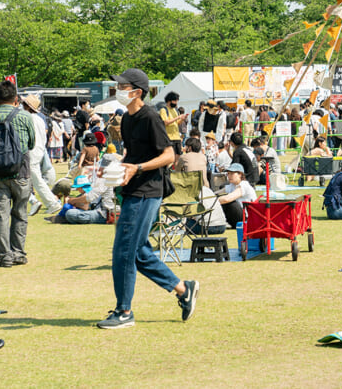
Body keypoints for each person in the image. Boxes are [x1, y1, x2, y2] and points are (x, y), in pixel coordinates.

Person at [97, 68, 197, 330]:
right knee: (138, 251)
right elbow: (132, 155)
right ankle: (183, 289)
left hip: (148, 190)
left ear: (137, 91)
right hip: (133, 189)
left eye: (122, 86)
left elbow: (168, 156)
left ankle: (124, 311)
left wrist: (138, 169)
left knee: (123, 252)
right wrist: (114, 168)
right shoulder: (127, 119)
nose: (118, 90)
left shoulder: (150, 116)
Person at [0, 80, 35, 267]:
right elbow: (31, 144)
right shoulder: (25, 117)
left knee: (1, 215)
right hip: (21, 171)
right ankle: (19, 253)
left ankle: (5, 256)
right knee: (20, 213)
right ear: (16, 99)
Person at [20, 94, 62, 217]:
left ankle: (51, 202)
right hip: (38, 151)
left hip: (31, 151)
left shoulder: (28, 118)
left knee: (34, 180)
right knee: (28, 180)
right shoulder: (39, 119)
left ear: (27, 106)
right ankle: (38, 201)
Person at [217, 162, 257, 227]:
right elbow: (216, 193)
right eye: (228, 174)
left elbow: (227, 199)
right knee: (221, 198)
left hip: (248, 218)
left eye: (232, 173)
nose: (229, 176)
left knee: (230, 203)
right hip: (238, 216)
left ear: (240, 174)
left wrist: (212, 202)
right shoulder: (231, 185)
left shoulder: (244, 185)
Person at [159, 92, 187, 159]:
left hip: (177, 137)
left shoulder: (175, 110)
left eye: (177, 101)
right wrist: (177, 117)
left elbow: (177, 123)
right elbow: (165, 122)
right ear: (169, 101)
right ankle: (169, 169)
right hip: (169, 138)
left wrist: (182, 119)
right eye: (175, 101)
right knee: (170, 157)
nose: (176, 103)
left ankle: (175, 169)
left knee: (178, 156)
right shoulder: (163, 110)